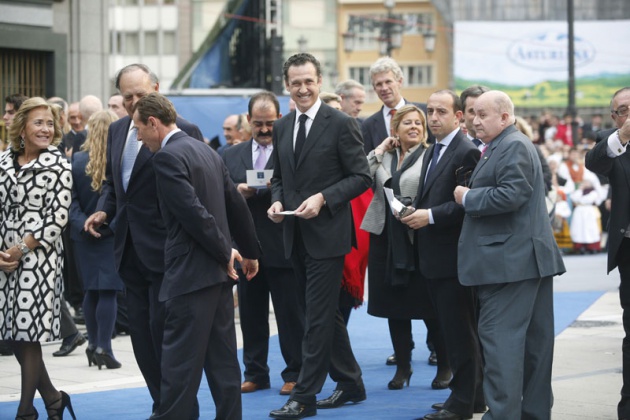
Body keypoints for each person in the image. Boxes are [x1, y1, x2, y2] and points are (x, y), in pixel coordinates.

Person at [84, 63, 203, 418]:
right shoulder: (118, 129)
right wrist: (105, 210)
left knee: (167, 337)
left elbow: (198, 193)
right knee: (141, 338)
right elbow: (113, 183)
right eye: (128, 97)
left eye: (142, 95)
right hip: (128, 252)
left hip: (169, 254)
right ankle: (161, 405)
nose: (135, 104)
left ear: (158, 88)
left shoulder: (187, 131)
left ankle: (180, 409)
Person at [132, 92, 260, 419]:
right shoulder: (206, 150)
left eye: (138, 129)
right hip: (217, 279)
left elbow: (195, 215)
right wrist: (248, 252)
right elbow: (235, 204)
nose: (137, 137)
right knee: (224, 368)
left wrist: (225, 254)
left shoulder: (166, 158)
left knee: (177, 372)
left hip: (191, 278)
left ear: (153, 122)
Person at [267, 53, 371, 419]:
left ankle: (305, 396)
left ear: (320, 81)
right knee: (321, 313)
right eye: (296, 83)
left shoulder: (341, 123)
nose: (303, 88)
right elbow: (278, 176)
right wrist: (277, 202)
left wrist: (324, 198)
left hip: (328, 236)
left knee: (315, 318)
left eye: (309, 81)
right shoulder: (282, 126)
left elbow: (362, 177)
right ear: (287, 86)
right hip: (293, 234)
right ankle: (351, 381)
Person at [454, 90, 566, 420]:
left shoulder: (513, 145)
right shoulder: (508, 145)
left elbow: (512, 194)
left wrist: (468, 197)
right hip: (522, 261)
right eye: (472, 114)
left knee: (502, 348)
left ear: (505, 117)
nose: (474, 120)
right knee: (534, 348)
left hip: (509, 265)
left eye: (482, 114)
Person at [400, 91, 484, 420]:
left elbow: (468, 204)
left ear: (459, 117)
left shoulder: (466, 151)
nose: (433, 117)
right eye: (430, 111)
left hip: (453, 259)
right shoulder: (435, 149)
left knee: (460, 334)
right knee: (454, 332)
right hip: (434, 256)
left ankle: (462, 403)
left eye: (441, 111)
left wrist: (429, 215)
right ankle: (472, 397)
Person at [360, 104, 450, 392]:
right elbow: (360, 175)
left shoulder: (430, 155)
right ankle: (403, 366)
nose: (415, 127)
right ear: (394, 129)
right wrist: (379, 148)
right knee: (393, 306)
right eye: (407, 123)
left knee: (428, 306)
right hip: (385, 237)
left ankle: (446, 364)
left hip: (416, 238)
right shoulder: (384, 155)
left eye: (418, 123)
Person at [223, 91, 304, 396]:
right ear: (248, 121)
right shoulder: (230, 155)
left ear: (280, 120)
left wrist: (278, 190)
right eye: (258, 123)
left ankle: (295, 372)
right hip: (246, 250)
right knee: (251, 317)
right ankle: (255, 372)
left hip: (284, 246)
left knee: (290, 316)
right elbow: (218, 190)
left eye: (270, 123)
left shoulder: (292, 152)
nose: (265, 129)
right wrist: (237, 189)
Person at [0, 97, 76, 420]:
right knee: (16, 336)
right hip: (4, 260)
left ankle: (24, 411)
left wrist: (20, 249)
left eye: (50, 123)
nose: (46, 129)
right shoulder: (3, 161)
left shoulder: (58, 163)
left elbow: (58, 217)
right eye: (39, 122)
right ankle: (54, 399)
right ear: (22, 127)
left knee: (29, 333)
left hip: (39, 260)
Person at [584, 86, 630, 420]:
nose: (629, 114)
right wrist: (622, 136)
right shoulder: (612, 143)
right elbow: (594, 162)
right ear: (615, 116)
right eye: (623, 110)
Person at [69, 110, 125, 369]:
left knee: (92, 289)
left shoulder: (77, 160)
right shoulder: (119, 160)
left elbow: (71, 203)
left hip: (83, 236)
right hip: (110, 234)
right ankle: (105, 347)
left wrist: (84, 224)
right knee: (109, 292)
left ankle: (92, 345)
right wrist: (108, 225)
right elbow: (122, 201)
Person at [459, 85, 490, 152]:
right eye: (472, 111)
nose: (477, 118)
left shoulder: (502, 147)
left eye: (482, 113)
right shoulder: (453, 146)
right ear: (463, 114)